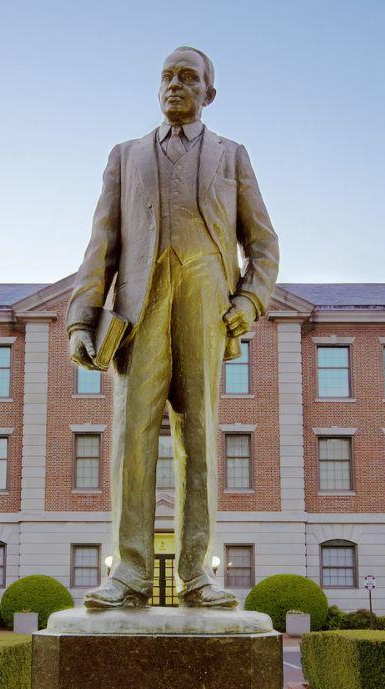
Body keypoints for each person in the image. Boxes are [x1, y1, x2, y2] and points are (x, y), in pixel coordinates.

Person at [65, 46, 279, 609]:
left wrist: (250, 302)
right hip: (138, 307)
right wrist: (80, 318)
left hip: (206, 303)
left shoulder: (232, 156)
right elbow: (101, 243)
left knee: (199, 434)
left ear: (209, 91)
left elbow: (262, 244)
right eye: (166, 76)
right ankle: (130, 572)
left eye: (188, 77)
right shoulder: (126, 155)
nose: (174, 85)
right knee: (132, 435)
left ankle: (197, 575)